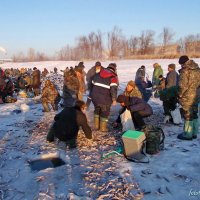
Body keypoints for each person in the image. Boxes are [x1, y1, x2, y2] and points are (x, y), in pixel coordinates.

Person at [177, 55, 200, 140]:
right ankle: (194, 132)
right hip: (197, 95)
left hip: (187, 97)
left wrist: (179, 95)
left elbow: (182, 86)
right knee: (194, 114)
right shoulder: (197, 69)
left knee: (188, 115)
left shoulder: (185, 71)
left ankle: (187, 134)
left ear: (182, 63)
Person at [91, 63, 118, 131]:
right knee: (105, 111)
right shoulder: (113, 77)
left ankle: (96, 126)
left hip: (94, 97)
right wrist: (114, 99)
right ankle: (103, 128)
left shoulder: (98, 74)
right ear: (114, 69)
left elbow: (92, 84)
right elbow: (113, 89)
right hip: (105, 98)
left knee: (97, 109)